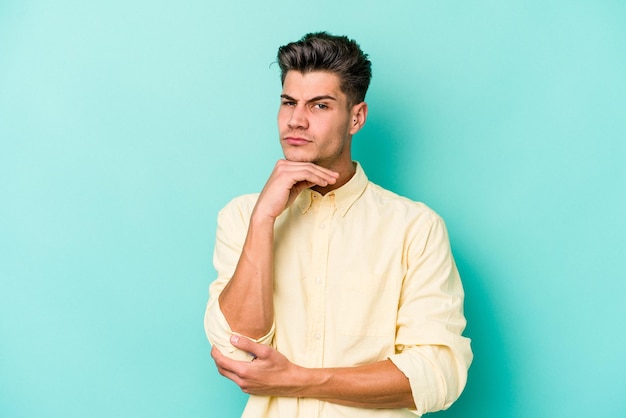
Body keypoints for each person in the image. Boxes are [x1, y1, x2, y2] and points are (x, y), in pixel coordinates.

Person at [204, 32, 472, 417]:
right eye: (289, 103)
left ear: (356, 118)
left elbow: (438, 373)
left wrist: (298, 379)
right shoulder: (241, 216)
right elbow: (238, 349)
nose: (297, 120)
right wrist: (263, 219)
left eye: (320, 105)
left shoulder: (415, 227)